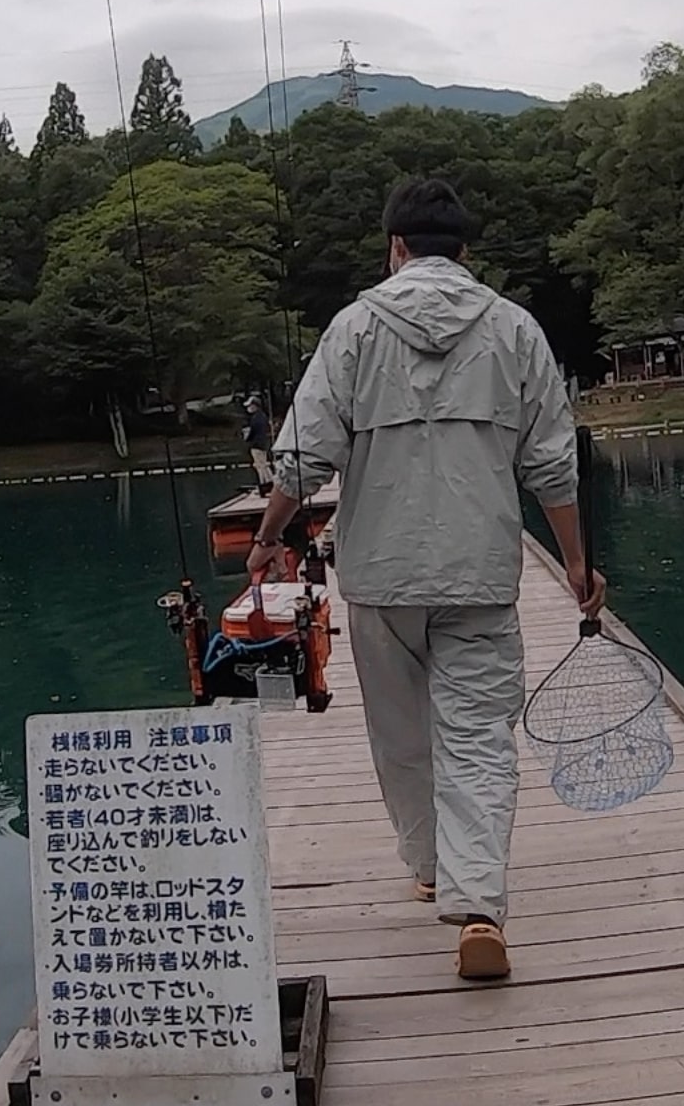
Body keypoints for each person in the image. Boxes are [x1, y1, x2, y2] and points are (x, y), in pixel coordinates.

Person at [249, 178, 604, 982]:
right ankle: (478, 907)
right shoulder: (514, 329)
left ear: (396, 248)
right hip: (481, 572)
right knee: (478, 737)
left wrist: (269, 537)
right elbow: (553, 463)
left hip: (381, 576)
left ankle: (430, 866)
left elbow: (303, 455)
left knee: (403, 736)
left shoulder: (353, 328)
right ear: (465, 251)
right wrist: (576, 561)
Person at [241, 396, 274, 495]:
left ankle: (265, 485)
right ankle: (269, 484)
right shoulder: (263, 416)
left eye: (250, 406)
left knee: (260, 466)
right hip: (263, 444)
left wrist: (246, 436)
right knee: (263, 464)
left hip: (256, 445)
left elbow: (251, 433)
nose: (248, 408)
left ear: (255, 406)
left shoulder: (255, 418)